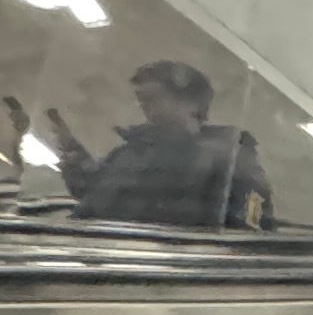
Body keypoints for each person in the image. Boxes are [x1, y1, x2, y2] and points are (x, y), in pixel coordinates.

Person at [47, 58, 275, 230]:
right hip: (106, 256)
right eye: (141, 100)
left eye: (153, 99)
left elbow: (252, 230)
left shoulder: (231, 159)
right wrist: (76, 160)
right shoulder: (134, 150)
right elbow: (99, 197)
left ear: (191, 103)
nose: (144, 107)